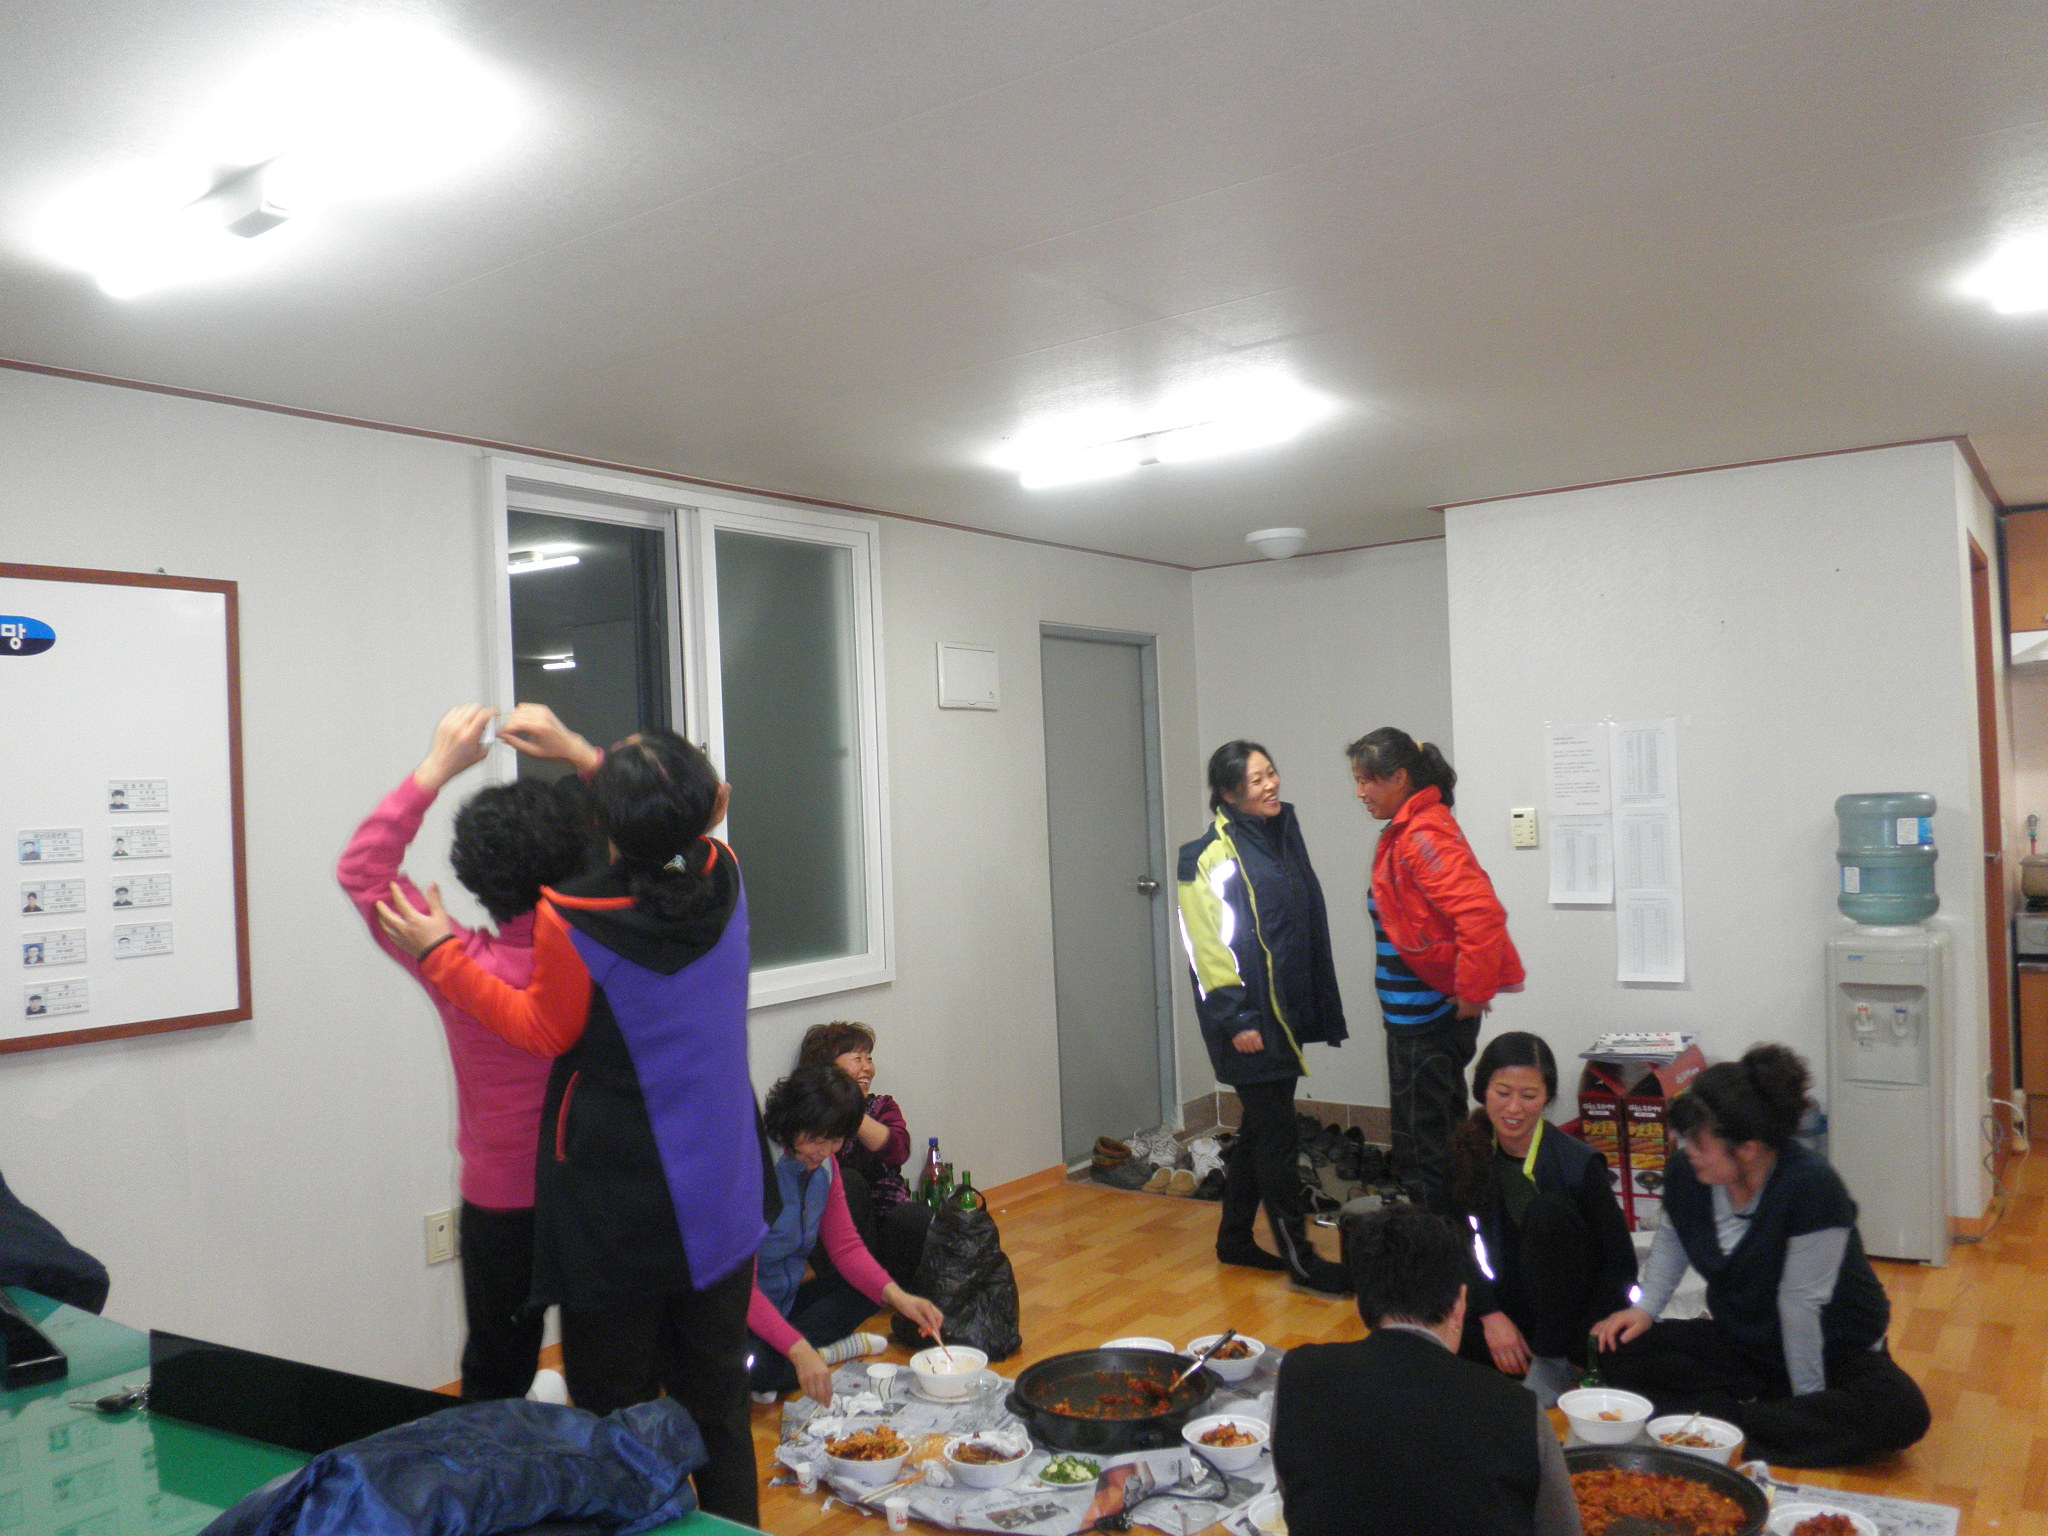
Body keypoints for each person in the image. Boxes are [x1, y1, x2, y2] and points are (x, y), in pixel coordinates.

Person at [378, 714, 770, 1524]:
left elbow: (542, 1030)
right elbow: (666, 837)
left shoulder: (574, 916)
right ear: (718, 808)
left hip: (618, 1212)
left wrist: (441, 953)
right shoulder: (723, 876)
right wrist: (585, 755)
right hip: (722, 1195)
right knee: (720, 1415)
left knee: (611, 1425)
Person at [336, 702, 589, 1403]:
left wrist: (436, 768)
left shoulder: (449, 958)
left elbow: (363, 871)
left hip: (501, 1200)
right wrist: (580, 753)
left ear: (475, 874)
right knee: (611, 1370)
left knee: (496, 1372)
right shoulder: (603, 948)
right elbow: (671, 860)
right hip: (596, 1192)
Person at [1592, 1045, 1931, 1468]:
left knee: (1902, 1411)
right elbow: (1674, 1239)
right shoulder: (1688, 1172)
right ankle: (1756, 1420)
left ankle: (1737, 1420)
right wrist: (1644, 1310)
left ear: (1748, 1149)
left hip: (1833, 1351)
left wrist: (1808, 1405)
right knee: (1615, 1350)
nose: (1685, 1147)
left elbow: (1801, 1307)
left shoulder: (1810, 1186)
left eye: (1699, 1142)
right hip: (1747, 1341)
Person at [1272, 1207, 1582, 1536]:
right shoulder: (1516, 1408)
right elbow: (1561, 1529)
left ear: (1360, 1303)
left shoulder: (1299, 1373)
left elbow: (1296, 1494)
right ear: (1461, 1303)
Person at [1176, 740, 1349, 1295]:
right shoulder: (1206, 856)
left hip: (1283, 1012)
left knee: (1259, 1128)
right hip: (1245, 1017)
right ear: (1228, 794)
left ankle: (1233, 1239)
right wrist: (1237, 1018)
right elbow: (1205, 947)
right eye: (1256, 780)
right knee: (1276, 1135)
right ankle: (1301, 1258)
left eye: (1271, 773)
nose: (1271, 784)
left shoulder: (1281, 836)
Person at [1348, 727, 1523, 1213]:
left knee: (1429, 1152)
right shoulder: (1409, 828)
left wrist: (1472, 992)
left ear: (1399, 778)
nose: (1360, 792)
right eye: (1357, 780)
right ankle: (1445, 1237)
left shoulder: (1423, 834)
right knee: (1426, 1141)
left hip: (1428, 1022)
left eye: (1366, 780)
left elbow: (1480, 914)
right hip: (1411, 1019)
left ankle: (1442, 1246)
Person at [1448, 1032, 1635, 1406]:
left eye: (1529, 1096)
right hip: (1505, 1312)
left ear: (1547, 1097)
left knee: (1548, 1213)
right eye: (1503, 1093)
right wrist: (1490, 1315)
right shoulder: (1467, 1151)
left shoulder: (1578, 1164)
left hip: (1568, 1318)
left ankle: (1553, 1361)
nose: (1514, 1108)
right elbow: (1454, 1244)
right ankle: (1523, 1357)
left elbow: (1620, 1265)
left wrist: (1585, 1342)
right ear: (1482, 1091)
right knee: (1432, 1331)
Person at [747, 1064, 945, 1402]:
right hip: (742, 1311)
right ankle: (817, 1355)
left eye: (836, 1140)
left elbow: (847, 1249)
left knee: (870, 1290)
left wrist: (903, 1299)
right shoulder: (755, 1168)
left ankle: (795, 1360)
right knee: (754, 1369)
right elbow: (740, 1291)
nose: (825, 1151)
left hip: (786, 1303)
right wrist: (799, 1351)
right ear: (789, 1123)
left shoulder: (826, 1167)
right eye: (815, 1139)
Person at [795, 1021, 933, 1286]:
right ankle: (850, 1287)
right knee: (848, 1182)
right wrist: (833, 1102)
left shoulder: (882, 1106)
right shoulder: (809, 1114)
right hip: (838, 1232)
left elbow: (898, 1151)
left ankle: (899, 1292)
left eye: (869, 1059)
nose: (867, 1068)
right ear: (828, 1069)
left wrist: (851, 1108)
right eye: (857, 1059)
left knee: (915, 1217)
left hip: (885, 1221)